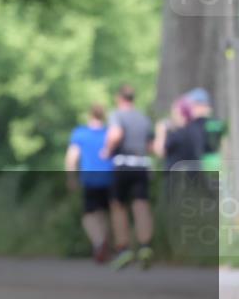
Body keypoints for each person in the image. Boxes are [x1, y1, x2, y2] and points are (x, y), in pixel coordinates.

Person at [101, 85, 154, 270]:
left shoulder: (117, 115)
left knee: (118, 206)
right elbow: (151, 146)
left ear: (119, 98)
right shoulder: (144, 118)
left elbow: (116, 134)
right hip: (142, 164)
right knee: (141, 204)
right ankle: (145, 247)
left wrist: (107, 150)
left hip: (123, 163)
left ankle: (124, 249)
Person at [65, 104, 114, 262]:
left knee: (89, 215)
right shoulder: (109, 133)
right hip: (110, 178)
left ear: (90, 115)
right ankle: (105, 244)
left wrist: (71, 177)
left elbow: (72, 157)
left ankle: (99, 242)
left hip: (90, 179)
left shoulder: (80, 134)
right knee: (104, 213)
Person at [154, 97, 203, 171]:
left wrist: (160, 131)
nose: (173, 116)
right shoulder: (195, 129)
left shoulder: (178, 134)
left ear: (181, 114)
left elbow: (160, 151)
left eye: (175, 112)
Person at [185, 88, 226, 171]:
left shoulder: (194, 126)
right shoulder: (216, 123)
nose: (191, 109)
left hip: (201, 168)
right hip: (215, 164)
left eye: (193, 105)